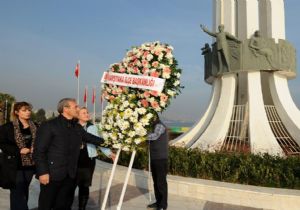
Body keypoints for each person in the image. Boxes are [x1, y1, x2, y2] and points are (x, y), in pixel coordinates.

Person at [33, 98, 105, 210]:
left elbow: (91, 138)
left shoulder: (76, 127)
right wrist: (43, 172)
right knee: (46, 205)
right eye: (75, 107)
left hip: (70, 175)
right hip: (52, 174)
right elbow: (39, 151)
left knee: (64, 205)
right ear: (65, 109)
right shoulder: (49, 125)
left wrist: (112, 142)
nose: (78, 109)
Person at [74, 107, 115, 210]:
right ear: (77, 115)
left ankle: (82, 208)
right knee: (71, 185)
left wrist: (109, 154)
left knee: (84, 186)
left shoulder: (92, 127)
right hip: (74, 160)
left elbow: (98, 141)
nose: (87, 114)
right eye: (83, 113)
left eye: (87, 112)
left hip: (88, 159)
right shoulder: (72, 126)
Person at [0, 102, 37, 210]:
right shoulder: (8, 127)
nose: (28, 112)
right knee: (17, 192)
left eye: (29, 110)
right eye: (24, 110)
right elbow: (2, 143)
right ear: (16, 112)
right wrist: (19, 150)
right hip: (14, 165)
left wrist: (36, 148)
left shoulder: (35, 126)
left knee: (24, 192)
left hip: (30, 164)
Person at [147, 114, 168, 210]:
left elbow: (155, 136)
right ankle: (158, 202)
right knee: (156, 182)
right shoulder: (153, 126)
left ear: (155, 118)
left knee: (161, 183)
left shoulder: (159, 125)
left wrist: (141, 135)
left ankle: (163, 205)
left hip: (161, 159)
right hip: (155, 158)